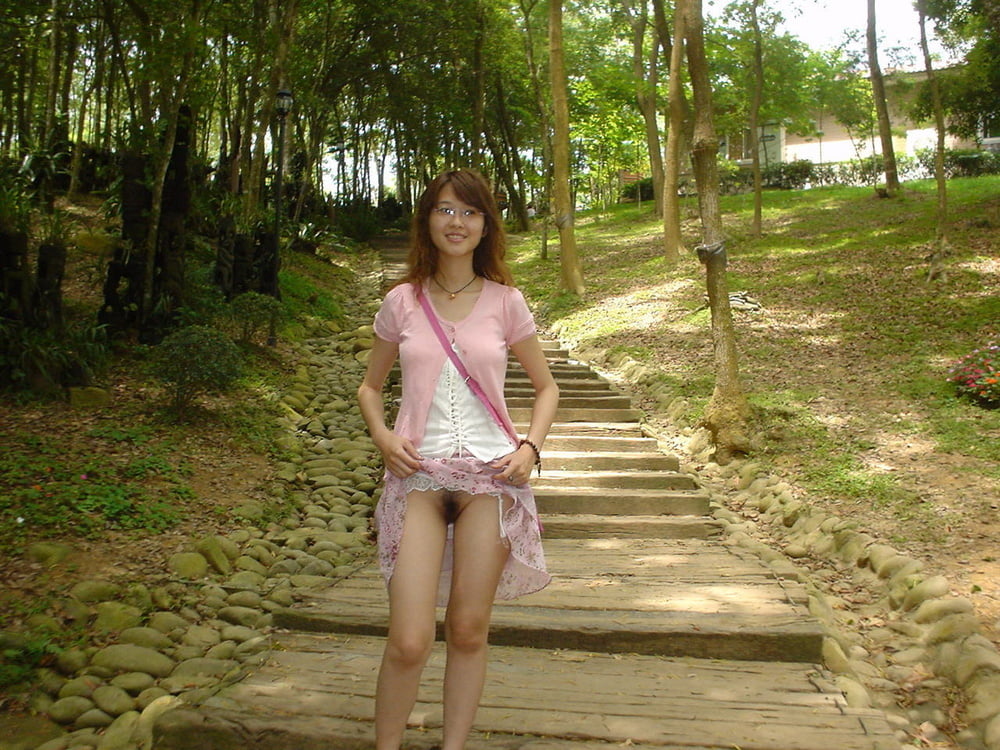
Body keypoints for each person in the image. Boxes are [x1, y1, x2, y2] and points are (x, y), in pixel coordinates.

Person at [357, 169, 559, 750]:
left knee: (468, 631)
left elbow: (546, 387)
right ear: (427, 219)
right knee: (409, 641)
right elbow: (370, 387)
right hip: (417, 477)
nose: (457, 222)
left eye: (470, 212)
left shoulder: (506, 302)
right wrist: (383, 436)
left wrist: (530, 448)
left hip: (491, 480)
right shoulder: (402, 301)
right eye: (445, 209)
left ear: (486, 226)